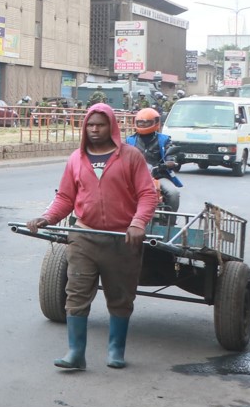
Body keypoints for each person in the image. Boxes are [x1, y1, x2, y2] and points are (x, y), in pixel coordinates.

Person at [25, 103, 158, 370]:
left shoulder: (131, 157)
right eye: (90, 125)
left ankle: (115, 351)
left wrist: (137, 222)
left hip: (122, 240)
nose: (95, 129)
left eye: (100, 124)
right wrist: (47, 217)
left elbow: (147, 194)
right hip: (84, 236)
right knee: (76, 294)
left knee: (120, 297)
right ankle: (75, 352)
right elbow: (65, 197)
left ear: (112, 126)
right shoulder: (76, 158)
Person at [124, 108, 180, 212]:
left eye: (147, 122)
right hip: (134, 177)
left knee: (173, 193)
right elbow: (120, 155)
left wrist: (169, 161)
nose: (143, 125)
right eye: (140, 122)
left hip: (158, 176)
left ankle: (170, 224)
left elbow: (171, 154)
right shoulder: (129, 140)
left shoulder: (165, 140)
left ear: (156, 122)